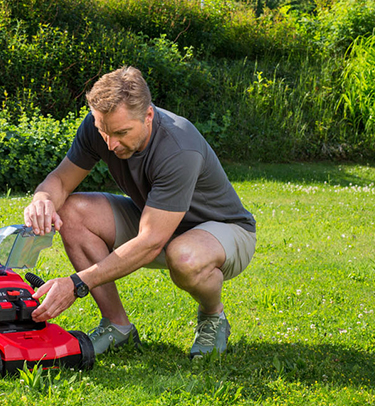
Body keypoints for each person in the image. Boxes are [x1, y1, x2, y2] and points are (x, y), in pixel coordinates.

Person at [23, 66, 256, 357]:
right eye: (103, 132)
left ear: (148, 115)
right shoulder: (102, 126)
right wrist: (43, 199)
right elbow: (60, 180)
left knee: (184, 256)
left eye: (121, 133)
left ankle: (212, 316)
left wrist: (77, 283)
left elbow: (150, 242)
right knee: (70, 211)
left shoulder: (178, 146)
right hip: (156, 220)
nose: (111, 144)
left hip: (224, 230)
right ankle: (117, 327)